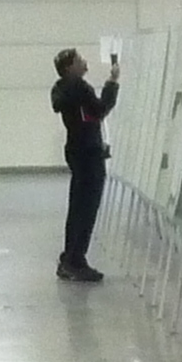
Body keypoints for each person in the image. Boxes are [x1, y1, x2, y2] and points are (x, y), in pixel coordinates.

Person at [50, 47, 119, 282]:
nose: (84, 62)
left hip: (76, 150)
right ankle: (76, 261)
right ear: (70, 67)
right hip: (88, 153)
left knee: (77, 206)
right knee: (87, 208)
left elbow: (85, 117)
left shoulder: (61, 89)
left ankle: (69, 258)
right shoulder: (80, 87)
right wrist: (112, 82)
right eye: (79, 60)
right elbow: (100, 110)